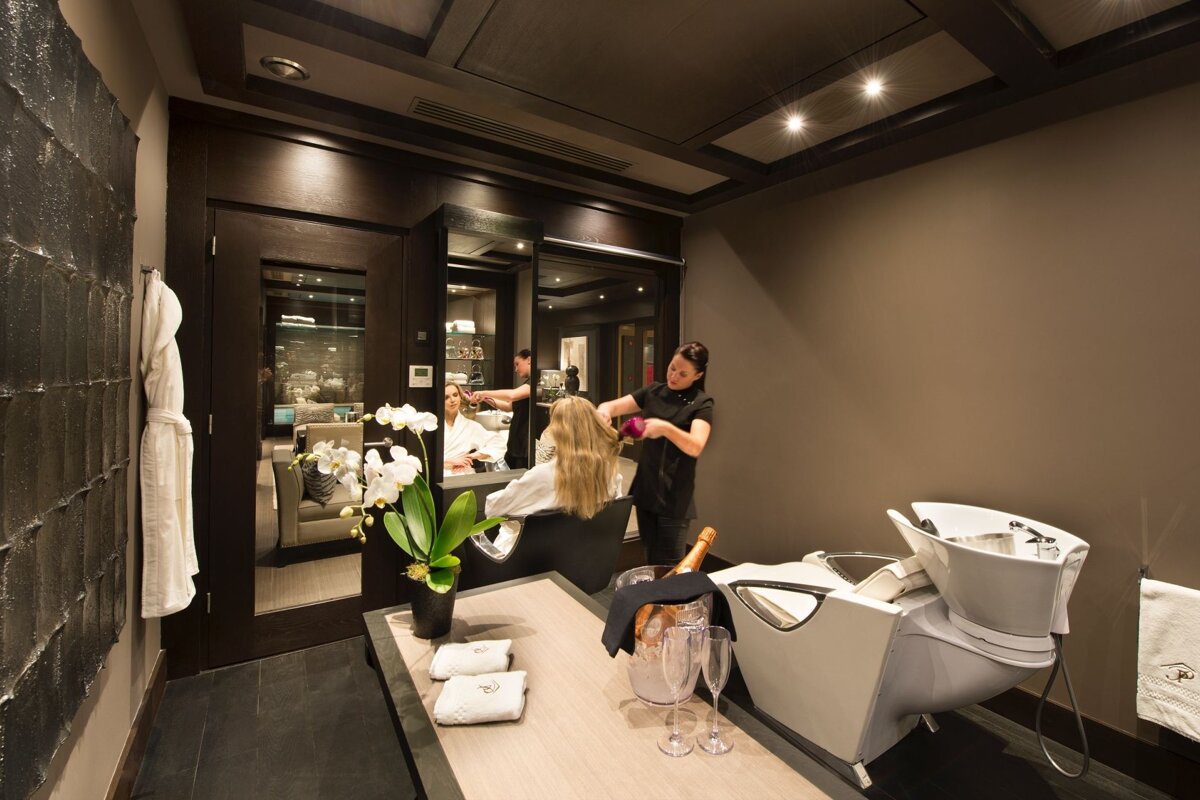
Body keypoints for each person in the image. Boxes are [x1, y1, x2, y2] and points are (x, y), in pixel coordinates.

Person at [597, 341, 713, 564]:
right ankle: (653, 599)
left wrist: (665, 428)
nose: (674, 376)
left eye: (683, 373)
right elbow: (612, 406)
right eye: (672, 368)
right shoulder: (654, 391)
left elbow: (696, 445)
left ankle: (669, 599)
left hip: (674, 495)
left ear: (697, 376)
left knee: (670, 566)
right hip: (646, 488)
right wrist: (604, 411)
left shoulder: (701, 403)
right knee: (650, 558)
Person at [484, 395, 623, 553]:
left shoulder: (542, 475)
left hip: (531, 560)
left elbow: (494, 508)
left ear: (556, 430)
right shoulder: (609, 473)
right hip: (585, 555)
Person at [471, 349, 531, 469]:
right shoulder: (526, 384)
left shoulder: (536, 383)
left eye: (517, 364)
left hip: (524, 443)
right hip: (516, 440)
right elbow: (508, 406)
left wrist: (483, 392)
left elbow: (512, 395)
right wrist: (485, 398)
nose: (516, 369)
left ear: (529, 360)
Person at [443, 383, 504, 475]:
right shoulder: (432, 425)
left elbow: (498, 443)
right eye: (446, 397)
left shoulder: (470, 426)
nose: (452, 400)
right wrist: (450, 461)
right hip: (437, 474)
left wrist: (473, 456)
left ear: (460, 397)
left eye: (455, 395)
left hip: (463, 474)